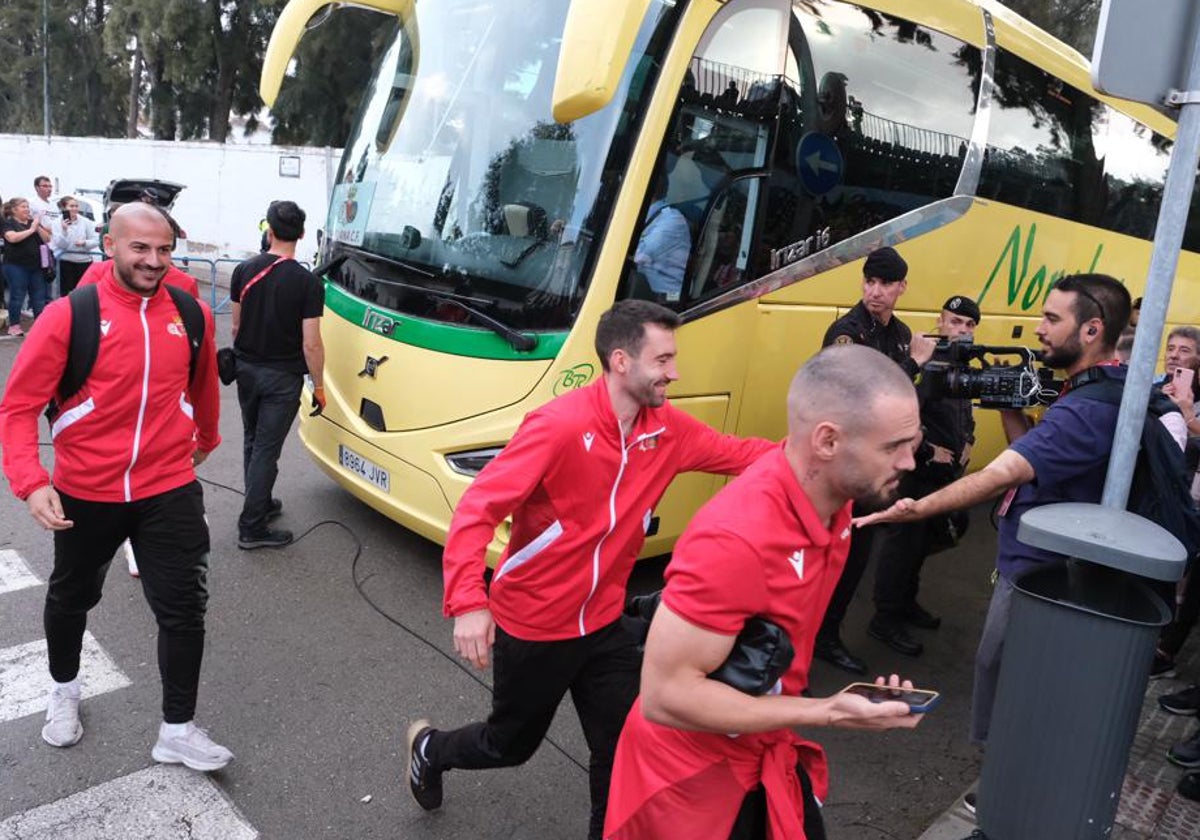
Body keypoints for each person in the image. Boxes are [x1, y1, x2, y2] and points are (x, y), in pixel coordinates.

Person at [406, 300, 777, 840]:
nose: (675, 372)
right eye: (664, 359)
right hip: (536, 623)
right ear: (621, 361)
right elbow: (477, 509)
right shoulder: (559, 426)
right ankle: (430, 749)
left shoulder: (665, 430)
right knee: (509, 746)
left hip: (604, 623)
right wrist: (468, 602)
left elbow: (740, 453)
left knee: (622, 746)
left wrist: (818, 459)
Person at [603, 344, 926, 840]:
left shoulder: (837, 504)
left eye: (914, 442)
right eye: (893, 447)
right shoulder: (737, 539)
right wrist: (830, 711)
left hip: (762, 748)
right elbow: (664, 697)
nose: (909, 460)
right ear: (827, 441)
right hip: (690, 786)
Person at [855, 273, 1137, 811]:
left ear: (1092, 328)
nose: (1040, 329)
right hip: (1037, 559)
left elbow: (1006, 471)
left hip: (1039, 569)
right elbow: (1035, 454)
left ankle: (1003, 779)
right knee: (1005, 668)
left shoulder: (1086, 408)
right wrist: (1008, 401)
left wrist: (916, 507)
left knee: (1003, 669)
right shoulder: (1095, 387)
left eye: (1053, 319)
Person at [0, 202, 229, 770]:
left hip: (168, 488)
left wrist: (205, 439)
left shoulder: (192, 313)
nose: (154, 261)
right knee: (72, 598)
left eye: (165, 250)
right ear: (110, 245)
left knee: (184, 609)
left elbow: (203, 389)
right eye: (140, 248)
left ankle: (177, 728)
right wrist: (31, 483)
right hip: (86, 491)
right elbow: (17, 407)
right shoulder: (68, 315)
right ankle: (64, 691)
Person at [814, 246, 936, 675]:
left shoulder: (900, 332)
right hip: (841, 466)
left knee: (856, 559)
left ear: (902, 286)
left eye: (885, 283)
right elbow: (861, 397)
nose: (875, 291)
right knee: (827, 560)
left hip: (872, 468)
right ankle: (809, 644)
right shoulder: (847, 332)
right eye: (869, 281)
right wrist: (913, 362)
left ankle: (825, 636)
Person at [868, 295, 979, 656]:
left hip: (942, 477)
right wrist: (931, 450)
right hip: (915, 473)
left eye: (968, 325)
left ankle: (906, 604)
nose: (961, 330)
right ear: (940, 322)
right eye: (955, 322)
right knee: (901, 546)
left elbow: (964, 414)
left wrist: (970, 442)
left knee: (918, 546)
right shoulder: (928, 363)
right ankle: (885, 620)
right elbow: (901, 419)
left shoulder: (963, 364)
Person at [231, 200, 325, 549]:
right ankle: (252, 527)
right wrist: (320, 386)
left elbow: (236, 327)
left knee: (253, 441)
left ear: (268, 231)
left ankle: (260, 501)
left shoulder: (243, 270)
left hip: (246, 369)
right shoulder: (307, 282)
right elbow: (311, 344)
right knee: (267, 448)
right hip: (282, 377)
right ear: (301, 234)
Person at [633, 175, 691, 301]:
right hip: (644, 293)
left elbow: (639, 256)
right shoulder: (644, 216)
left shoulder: (672, 220)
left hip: (669, 301)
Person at [3, 197, 53, 336]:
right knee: (17, 295)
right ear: (14, 210)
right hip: (15, 265)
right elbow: (12, 238)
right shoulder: (8, 223)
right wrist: (31, 230)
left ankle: (39, 325)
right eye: (23, 207)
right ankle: (14, 326)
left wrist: (37, 227)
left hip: (36, 266)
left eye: (27, 206)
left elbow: (47, 239)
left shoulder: (33, 223)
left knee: (39, 297)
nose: (27, 209)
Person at [51, 196, 99, 296]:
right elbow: (61, 244)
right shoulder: (56, 223)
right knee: (65, 292)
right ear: (64, 208)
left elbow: (96, 240)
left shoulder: (86, 221)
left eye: (76, 206)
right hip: (66, 261)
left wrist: (85, 243)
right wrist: (64, 230)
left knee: (84, 292)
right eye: (71, 206)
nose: (74, 209)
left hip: (84, 261)